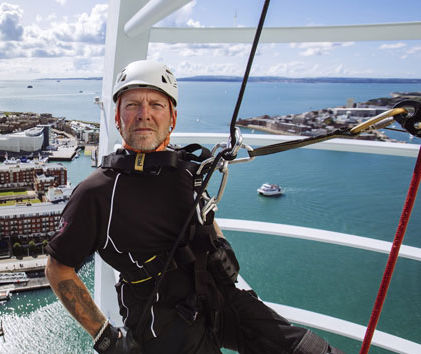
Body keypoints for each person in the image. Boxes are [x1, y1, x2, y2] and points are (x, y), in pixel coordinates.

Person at [45, 60, 341, 354]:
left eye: (156, 105)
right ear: (118, 117)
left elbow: (203, 213)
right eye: (132, 105)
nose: (144, 115)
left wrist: (221, 248)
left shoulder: (186, 170)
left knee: (310, 350)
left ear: (172, 117)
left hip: (216, 294)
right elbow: (58, 268)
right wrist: (106, 338)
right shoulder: (97, 192)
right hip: (161, 319)